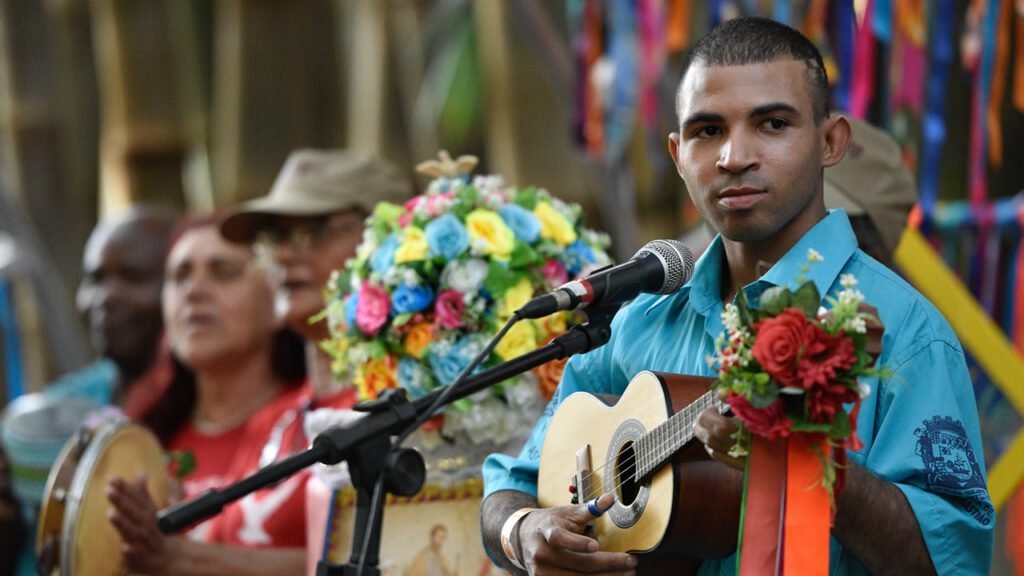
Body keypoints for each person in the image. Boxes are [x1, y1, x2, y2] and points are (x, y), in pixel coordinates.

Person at [480, 17, 992, 576]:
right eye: (707, 131)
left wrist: (807, 458)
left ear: (830, 142)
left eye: (772, 124)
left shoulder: (906, 332)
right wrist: (522, 529)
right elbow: (514, 481)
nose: (734, 156)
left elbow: (953, 560)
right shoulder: (640, 320)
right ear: (677, 154)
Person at [106, 215, 310, 575]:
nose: (194, 290)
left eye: (223, 271)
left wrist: (179, 559)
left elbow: (363, 559)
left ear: (278, 298)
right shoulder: (141, 442)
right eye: (180, 275)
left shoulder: (322, 419)